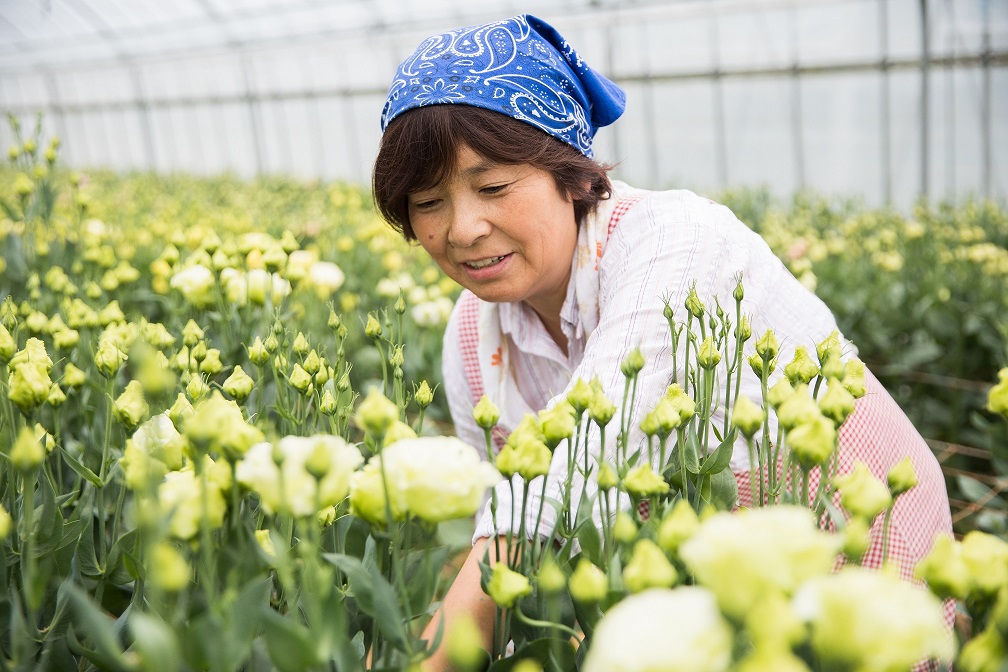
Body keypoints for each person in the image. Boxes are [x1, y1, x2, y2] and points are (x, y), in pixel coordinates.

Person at [371, 14, 953, 669]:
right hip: (689, 583)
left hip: (849, 542)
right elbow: (504, 527)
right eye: (427, 201)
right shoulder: (472, 338)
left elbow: (582, 453)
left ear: (565, 168)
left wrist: (433, 662)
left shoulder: (672, 238)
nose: (463, 229)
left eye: (493, 187)